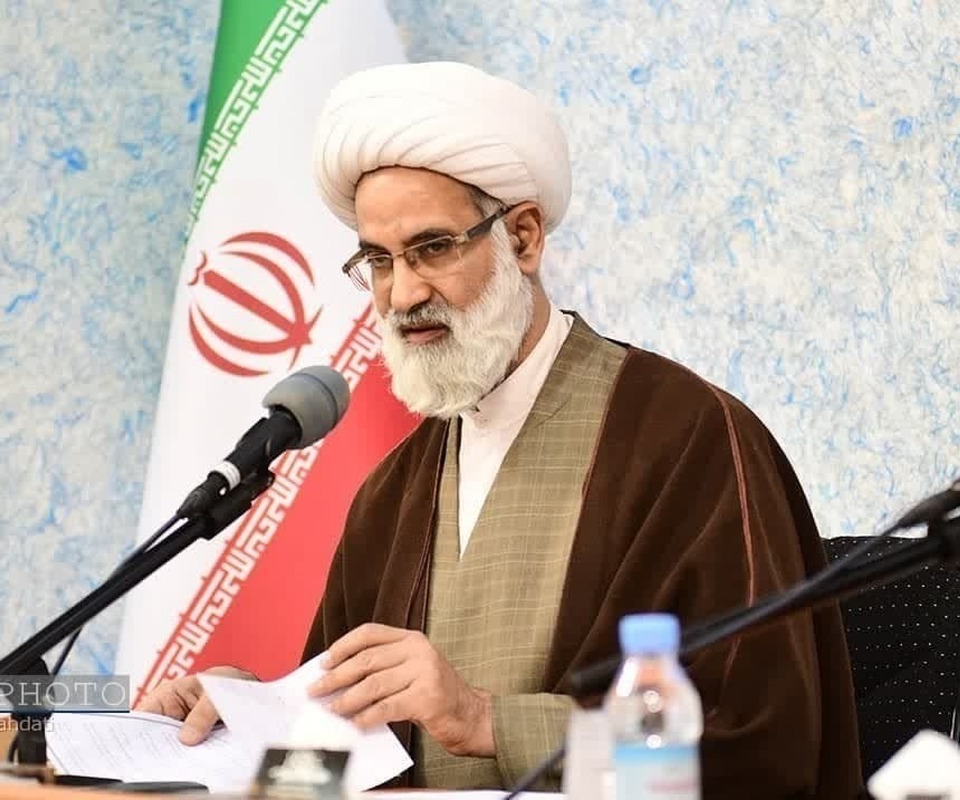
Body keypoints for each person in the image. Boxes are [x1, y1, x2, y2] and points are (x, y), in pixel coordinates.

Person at [138, 61, 864, 800]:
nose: (403, 294)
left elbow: (757, 750)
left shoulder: (688, 438)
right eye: (379, 261)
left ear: (522, 238)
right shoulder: (391, 493)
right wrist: (251, 719)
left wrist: (486, 721)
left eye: (433, 248)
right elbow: (345, 756)